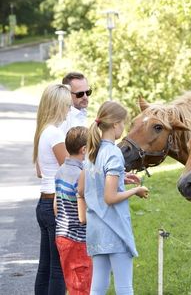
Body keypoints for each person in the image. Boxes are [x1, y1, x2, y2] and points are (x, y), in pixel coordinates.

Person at [77, 101, 149, 295]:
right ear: (116, 124)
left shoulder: (93, 151)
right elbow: (110, 197)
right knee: (124, 287)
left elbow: (85, 187)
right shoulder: (114, 153)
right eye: (123, 124)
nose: (123, 128)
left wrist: (121, 179)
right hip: (115, 230)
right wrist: (136, 191)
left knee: (98, 287)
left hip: (96, 230)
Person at [33, 83, 72, 294]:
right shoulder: (55, 134)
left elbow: (40, 171)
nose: (68, 110)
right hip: (57, 204)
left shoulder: (43, 132)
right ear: (58, 105)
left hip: (44, 202)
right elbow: (70, 169)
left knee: (46, 266)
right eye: (66, 105)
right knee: (58, 269)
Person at [54, 126, 92, 295]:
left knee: (72, 284)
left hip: (62, 236)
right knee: (82, 287)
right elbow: (83, 217)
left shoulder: (61, 171)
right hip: (78, 240)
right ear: (84, 150)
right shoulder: (80, 175)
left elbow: (56, 206)